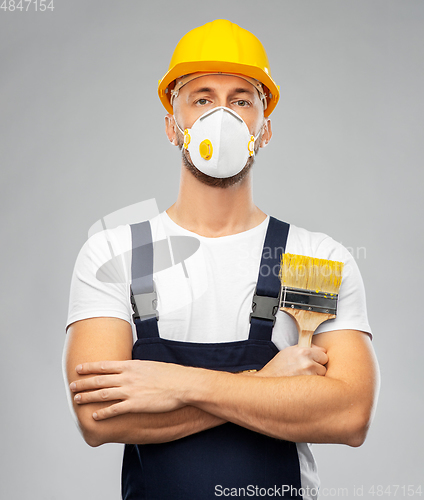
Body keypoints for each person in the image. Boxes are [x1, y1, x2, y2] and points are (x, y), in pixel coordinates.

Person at [64, 19, 379, 500]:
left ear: (264, 128)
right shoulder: (116, 254)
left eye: (241, 100)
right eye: (202, 98)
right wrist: (266, 384)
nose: (222, 116)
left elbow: (349, 415)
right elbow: (98, 418)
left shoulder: (311, 257)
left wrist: (174, 384)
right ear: (174, 125)